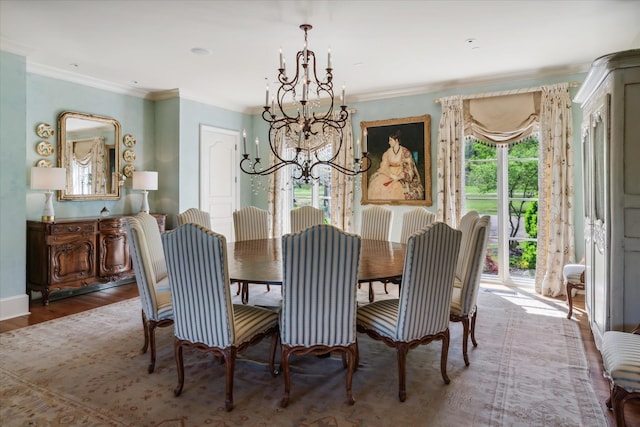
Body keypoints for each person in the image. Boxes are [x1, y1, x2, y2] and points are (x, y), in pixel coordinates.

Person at [367, 130, 424, 200]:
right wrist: (390, 175)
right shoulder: (388, 152)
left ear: (396, 140)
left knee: (396, 191)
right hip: (389, 174)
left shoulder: (405, 152)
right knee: (377, 186)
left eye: (390, 140)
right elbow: (384, 166)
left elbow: (409, 168)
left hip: (401, 174)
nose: (389, 142)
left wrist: (398, 177)